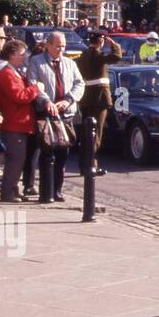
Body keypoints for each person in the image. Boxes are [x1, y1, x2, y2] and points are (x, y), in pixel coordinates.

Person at [27, 32, 84, 203]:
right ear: (49, 45)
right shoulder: (36, 62)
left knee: (63, 153)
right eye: (58, 46)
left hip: (66, 114)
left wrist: (68, 100)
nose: (61, 49)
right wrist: (46, 102)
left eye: (63, 46)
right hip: (46, 115)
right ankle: (46, 192)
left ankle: (57, 190)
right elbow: (33, 83)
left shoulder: (70, 63)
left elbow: (80, 83)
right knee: (47, 153)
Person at [0, 40, 43, 202]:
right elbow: (19, 96)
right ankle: (7, 192)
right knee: (15, 159)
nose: (24, 57)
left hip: (20, 122)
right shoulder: (6, 74)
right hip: (13, 122)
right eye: (21, 54)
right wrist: (37, 89)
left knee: (19, 159)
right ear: (12, 54)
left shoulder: (14, 72)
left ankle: (13, 189)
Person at [75, 32, 123, 177]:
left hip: (86, 98)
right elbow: (117, 56)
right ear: (101, 41)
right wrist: (114, 45)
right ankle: (90, 165)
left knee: (86, 133)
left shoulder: (84, 55)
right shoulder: (97, 55)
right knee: (96, 134)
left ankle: (84, 165)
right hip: (99, 98)